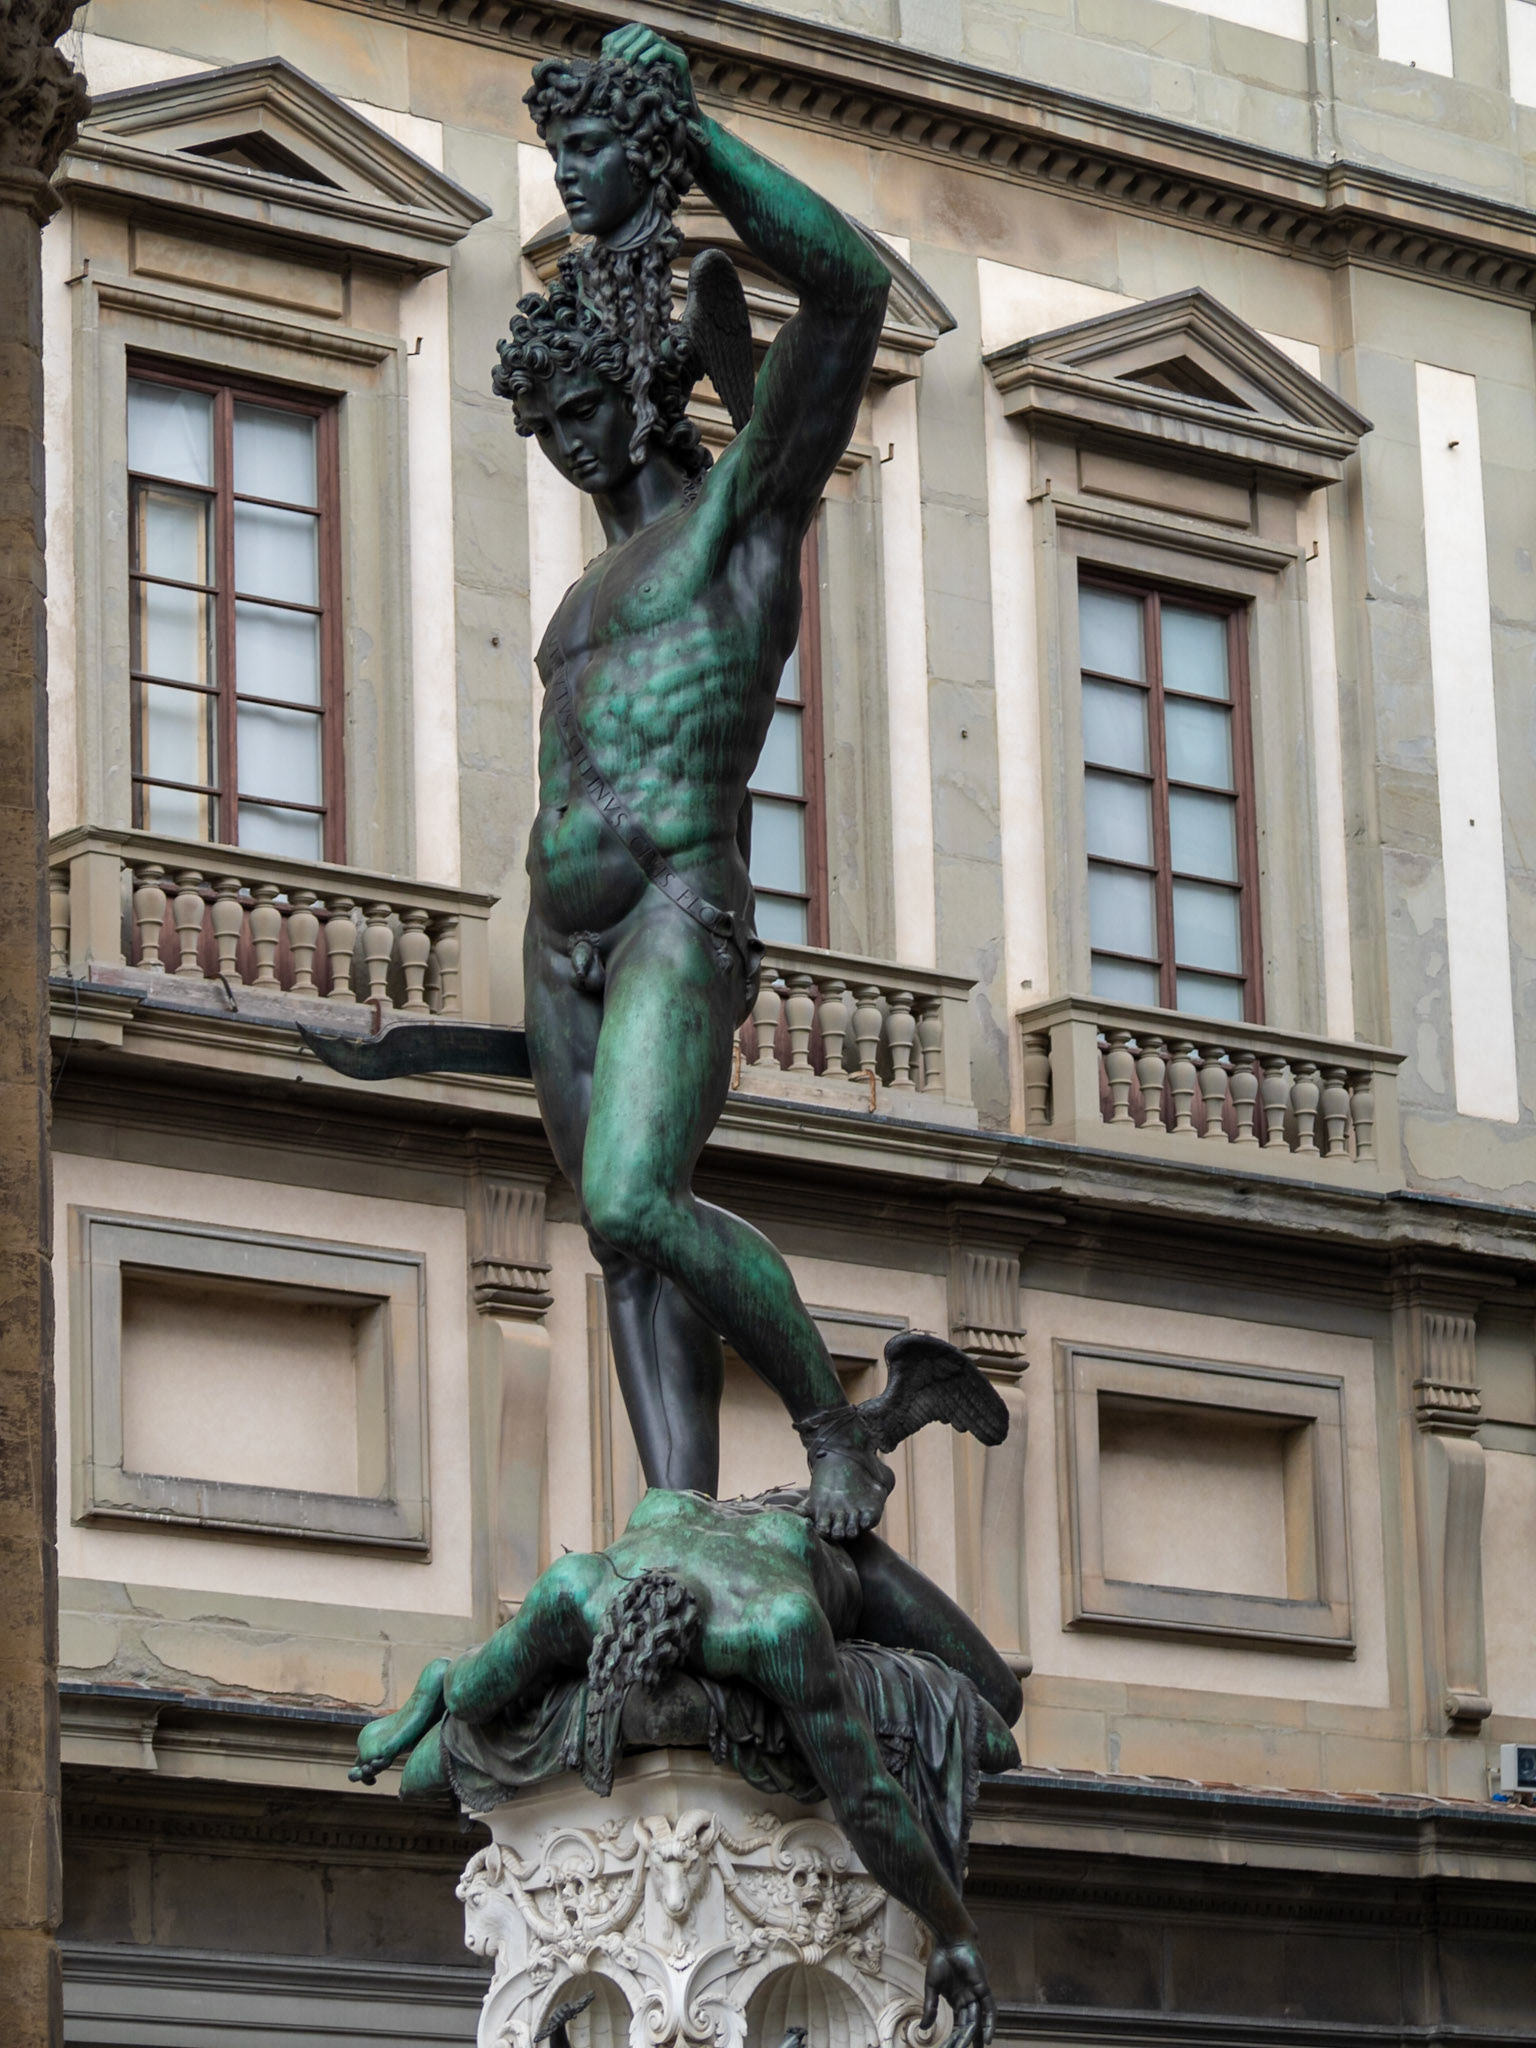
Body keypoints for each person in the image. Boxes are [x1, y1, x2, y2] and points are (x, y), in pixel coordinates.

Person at [499, 23, 900, 1541]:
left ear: (631, 388)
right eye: (542, 431)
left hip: (678, 907)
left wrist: (692, 144)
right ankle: (673, 1512)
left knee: (632, 1199)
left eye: (571, 416)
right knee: (621, 1249)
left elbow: (850, 288)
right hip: (563, 944)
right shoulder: (579, 603)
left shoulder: (744, 522)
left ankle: (831, 1428)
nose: (559, 449)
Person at [353, 1489, 1022, 2047]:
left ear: (701, 1651)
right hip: (668, 1520)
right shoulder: (572, 1593)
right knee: (445, 1738)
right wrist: (425, 1702)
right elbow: (469, 1691)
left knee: (998, 1707)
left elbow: (866, 1798)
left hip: (817, 1542)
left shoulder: (775, 1625)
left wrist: (953, 1930)